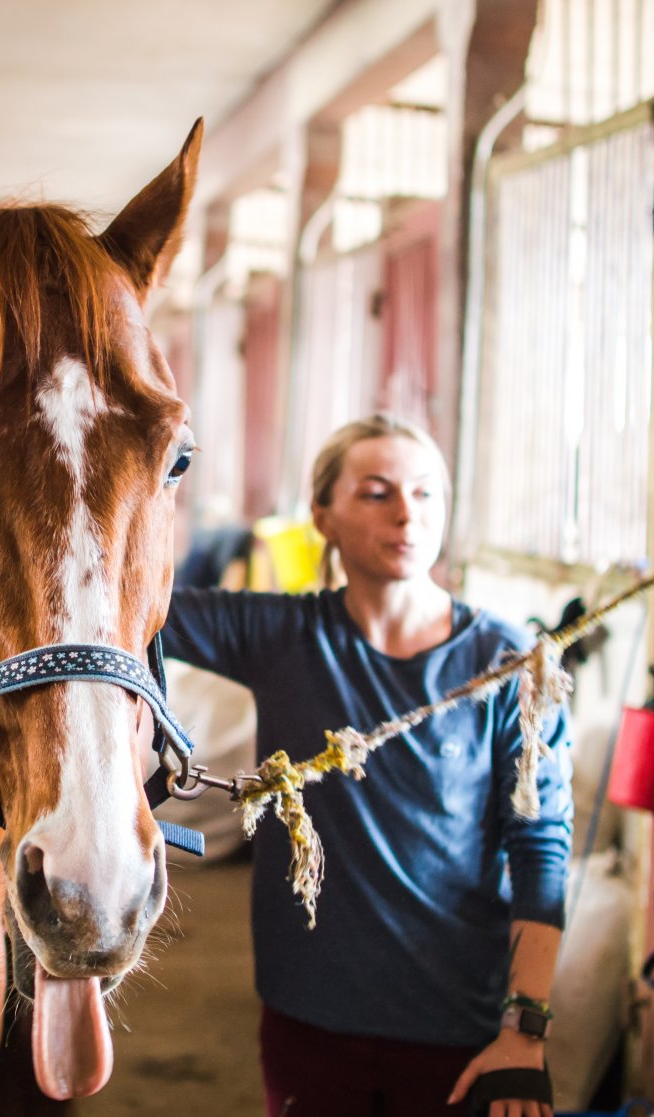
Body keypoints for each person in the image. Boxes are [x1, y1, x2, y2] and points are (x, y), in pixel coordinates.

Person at [162, 415, 573, 1117]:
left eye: (424, 493)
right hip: (309, 1025)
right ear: (321, 514)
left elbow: (540, 847)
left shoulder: (506, 662)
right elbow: (127, 610)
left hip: (456, 1030)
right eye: (377, 492)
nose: (407, 513)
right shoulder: (281, 633)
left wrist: (524, 1029)